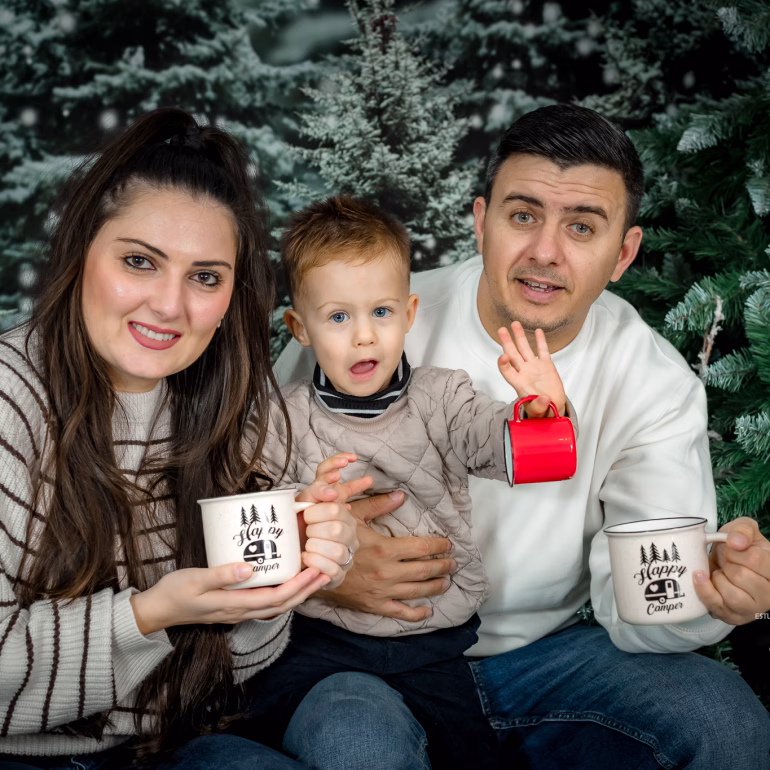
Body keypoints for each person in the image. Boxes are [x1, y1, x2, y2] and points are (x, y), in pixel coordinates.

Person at [275, 104, 770, 769]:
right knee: (354, 745)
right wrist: (322, 572)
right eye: (523, 215)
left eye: (582, 226)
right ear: (481, 222)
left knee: (726, 722)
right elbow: (254, 475)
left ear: (624, 253)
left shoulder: (653, 384)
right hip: (367, 652)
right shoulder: (365, 317)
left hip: (542, 657)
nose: (545, 252)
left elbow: (641, 596)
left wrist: (715, 597)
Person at [0, 108, 362, 770]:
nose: (170, 305)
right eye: (140, 261)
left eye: (205, 276)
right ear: (82, 253)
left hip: (170, 742)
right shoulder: (10, 400)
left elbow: (232, 670)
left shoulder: (230, 405)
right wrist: (147, 616)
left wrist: (277, 587)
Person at [242, 194, 574, 770]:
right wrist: (303, 507)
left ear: (410, 312)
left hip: (432, 640)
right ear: (300, 327)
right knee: (306, 731)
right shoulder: (279, 419)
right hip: (319, 640)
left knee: (470, 755)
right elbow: (251, 526)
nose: (364, 336)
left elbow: (507, 450)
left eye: (381, 312)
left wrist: (541, 412)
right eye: (338, 317)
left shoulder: (443, 396)